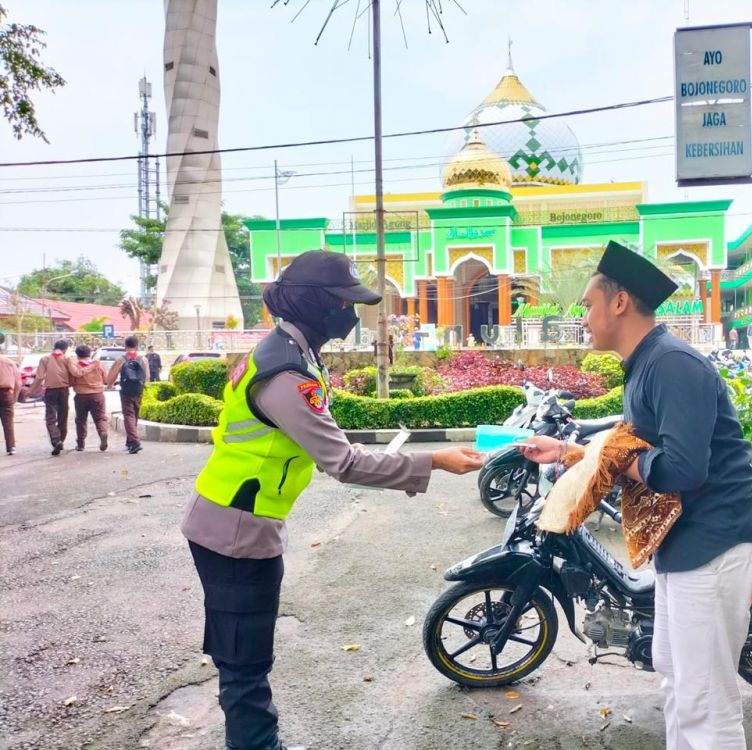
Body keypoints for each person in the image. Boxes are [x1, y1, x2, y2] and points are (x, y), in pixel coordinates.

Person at [180, 250, 484, 750]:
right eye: (345, 302)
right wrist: (433, 461)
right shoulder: (285, 374)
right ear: (318, 306)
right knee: (244, 663)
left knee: (244, 656)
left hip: (235, 521)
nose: (352, 313)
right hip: (234, 533)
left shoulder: (288, 352)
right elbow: (342, 464)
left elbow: (326, 442)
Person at [517, 241, 752, 750]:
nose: (584, 317)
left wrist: (617, 458)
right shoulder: (644, 365)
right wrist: (566, 452)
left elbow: (679, 468)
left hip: (716, 545)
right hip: (687, 548)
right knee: (678, 680)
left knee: (706, 699)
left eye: (589, 305)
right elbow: (626, 449)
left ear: (619, 302)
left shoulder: (672, 364)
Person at [28, 339, 72, 456]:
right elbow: (74, 373)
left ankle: (56, 439)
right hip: (64, 390)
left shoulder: (45, 359)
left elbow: (39, 377)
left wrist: (30, 391)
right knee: (63, 416)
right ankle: (61, 440)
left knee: (50, 417)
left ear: (54, 347)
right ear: (65, 349)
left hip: (50, 391)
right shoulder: (67, 359)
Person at [105, 336, 149, 454]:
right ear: (137, 346)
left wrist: (109, 385)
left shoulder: (122, 359)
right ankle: (130, 440)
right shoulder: (143, 359)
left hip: (126, 391)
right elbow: (147, 377)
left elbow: (111, 377)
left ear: (125, 346)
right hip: (138, 391)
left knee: (128, 415)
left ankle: (134, 442)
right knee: (135, 414)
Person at [67, 345, 109, 452]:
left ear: (77, 355)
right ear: (90, 354)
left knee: (81, 420)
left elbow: (71, 381)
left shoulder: (75, 366)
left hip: (81, 396)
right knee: (100, 418)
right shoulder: (98, 365)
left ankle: (81, 443)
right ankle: (103, 432)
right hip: (97, 395)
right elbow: (106, 380)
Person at [0, 334, 20, 455]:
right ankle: (11, 447)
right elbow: (18, 382)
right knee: (8, 421)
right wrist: (15, 397)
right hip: (6, 393)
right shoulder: (10, 362)